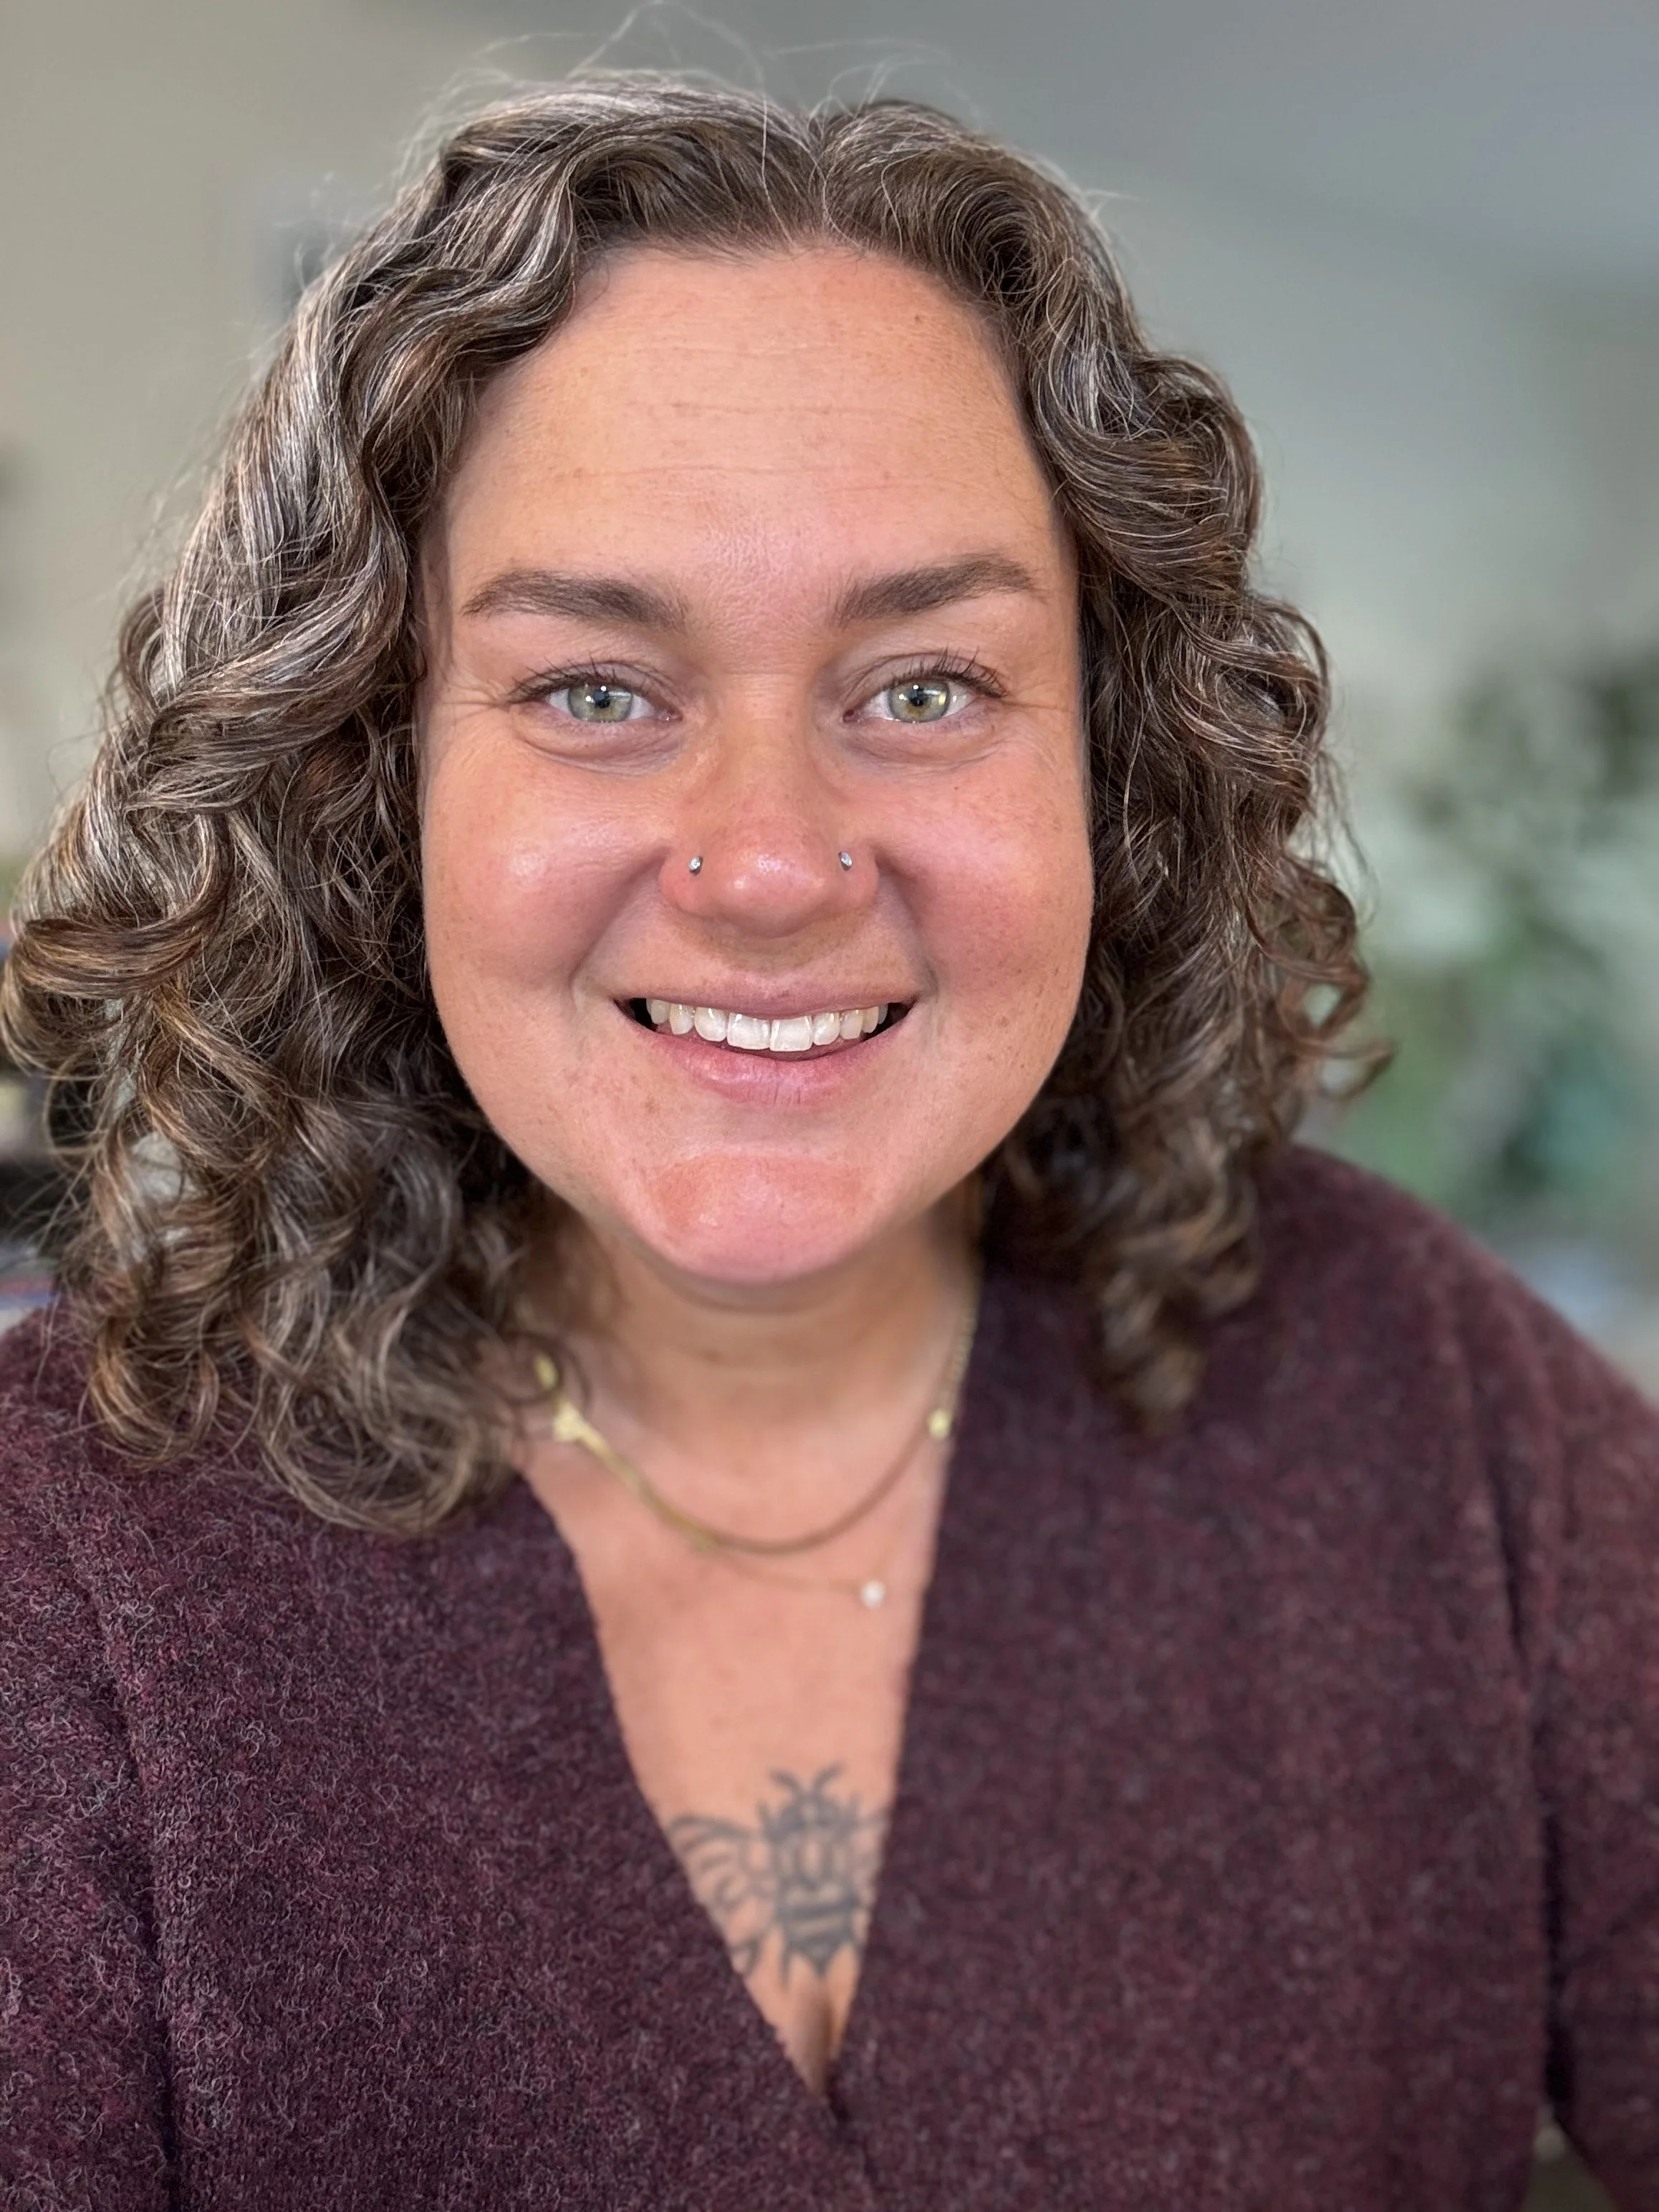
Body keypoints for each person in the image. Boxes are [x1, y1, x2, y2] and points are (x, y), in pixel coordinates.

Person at [1, 77, 1655, 2212]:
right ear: (369, 776)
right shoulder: (69, 1566)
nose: (769, 862)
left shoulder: (1415, 1401)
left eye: (924, 686)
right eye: (597, 688)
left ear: (1113, 765)